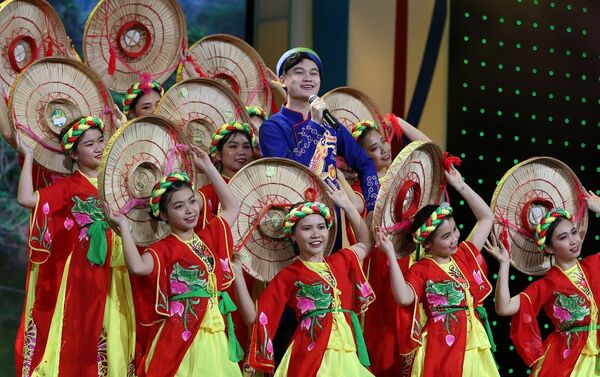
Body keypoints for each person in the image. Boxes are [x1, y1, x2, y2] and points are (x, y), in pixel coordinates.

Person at [105, 145, 243, 377]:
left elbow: (232, 207)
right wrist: (124, 229)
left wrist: (209, 168)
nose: (190, 210)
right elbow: (138, 267)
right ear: (165, 215)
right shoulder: (163, 249)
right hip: (181, 335)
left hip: (214, 332)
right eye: (179, 206)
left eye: (192, 202)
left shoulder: (207, 238)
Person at [14, 116, 135, 376]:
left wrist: (125, 131)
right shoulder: (69, 187)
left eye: (101, 140)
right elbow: (26, 198)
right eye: (90, 144)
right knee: (86, 334)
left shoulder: (118, 180)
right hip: (86, 272)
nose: (99, 147)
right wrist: (28, 157)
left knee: (120, 330)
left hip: (122, 266)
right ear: (75, 154)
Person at [233, 181, 376, 376]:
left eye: (321, 227)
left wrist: (348, 206)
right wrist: (238, 275)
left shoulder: (341, 260)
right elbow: (254, 317)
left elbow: (366, 243)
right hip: (310, 354)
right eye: (307, 229)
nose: (316, 234)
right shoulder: (289, 275)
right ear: (293, 235)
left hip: (347, 350)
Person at [378, 166, 499, 377]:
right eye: (445, 236)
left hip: (474, 343)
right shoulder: (421, 269)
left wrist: (460, 185)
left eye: (454, 230)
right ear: (427, 244)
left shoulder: (463, 255)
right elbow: (403, 297)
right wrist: (390, 254)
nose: (454, 238)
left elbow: (486, 218)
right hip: (441, 346)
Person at [258, 47, 379, 218]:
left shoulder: (329, 122)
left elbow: (365, 163)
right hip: (292, 218)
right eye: (299, 73)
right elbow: (290, 171)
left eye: (314, 73)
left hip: (333, 215)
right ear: (283, 81)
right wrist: (314, 124)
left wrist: (373, 208)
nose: (308, 78)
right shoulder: (272, 128)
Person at [490, 190, 600, 377]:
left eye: (573, 232)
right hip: (570, 359)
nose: (573, 240)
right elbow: (504, 308)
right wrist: (504, 265)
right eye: (563, 238)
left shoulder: (595, 264)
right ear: (548, 248)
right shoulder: (547, 284)